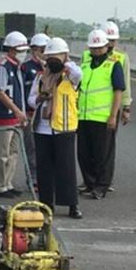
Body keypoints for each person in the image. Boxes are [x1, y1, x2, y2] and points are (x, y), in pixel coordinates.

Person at [27, 38, 83, 219]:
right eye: (50, 56)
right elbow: (30, 100)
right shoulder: (41, 76)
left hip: (64, 128)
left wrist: (64, 63)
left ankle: (72, 205)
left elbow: (78, 74)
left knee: (66, 168)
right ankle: (46, 204)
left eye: (56, 56)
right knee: (45, 168)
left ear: (65, 55)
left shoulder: (70, 75)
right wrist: (41, 98)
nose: (53, 60)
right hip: (42, 129)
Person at [77, 29, 125, 200]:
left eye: (99, 48)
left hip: (103, 118)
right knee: (84, 153)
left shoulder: (113, 65)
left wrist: (113, 115)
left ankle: (101, 186)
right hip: (83, 117)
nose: (96, 51)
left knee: (103, 155)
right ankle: (89, 183)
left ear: (106, 46)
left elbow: (118, 91)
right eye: (93, 48)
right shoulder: (84, 66)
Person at [0, 31, 30, 199]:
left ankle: (7, 183)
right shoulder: (2, 67)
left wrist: (21, 113)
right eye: (20, 50)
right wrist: (18, 111)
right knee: (2, 152)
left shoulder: (18, 68)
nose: (23, 53)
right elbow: (1, 93)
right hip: (4, 116)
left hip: (15, 117)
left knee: (13, 153)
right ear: (11, 49)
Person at [103, 20, 132, 192]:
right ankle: (90, 180)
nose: (111, 44)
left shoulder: (121, 58)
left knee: (108, 147)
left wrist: (126, 108)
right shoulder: (88, 55)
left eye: (113, 41)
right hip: (90, 110)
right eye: (108, 40)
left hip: (111, 108)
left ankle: (106, 181)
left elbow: (125, 85)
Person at [20, 32, 50, 187]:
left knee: (46, 149)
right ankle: (33, 178)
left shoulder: (52, 69)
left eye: (46, 50)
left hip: (48, 115)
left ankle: (47, 177)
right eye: (41, 50)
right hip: (30, 114)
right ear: (33, 50)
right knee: (31, 149)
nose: (43, 54)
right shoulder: (25, 68)